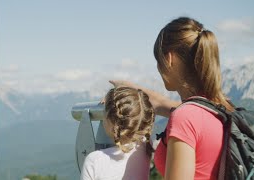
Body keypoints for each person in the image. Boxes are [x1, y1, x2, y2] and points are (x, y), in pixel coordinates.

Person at [110, 16, 235, 180]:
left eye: (158, 61)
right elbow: (162, 103)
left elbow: (178, 113)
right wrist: (129, 89)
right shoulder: (220, 109)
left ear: (169, 59)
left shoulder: (185, 117)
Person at [80, 86, 155, 180]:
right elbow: (139, 109)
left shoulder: (94, 160)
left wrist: (110, 100)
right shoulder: (144, 146)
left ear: (110, 121)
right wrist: (114, 101)